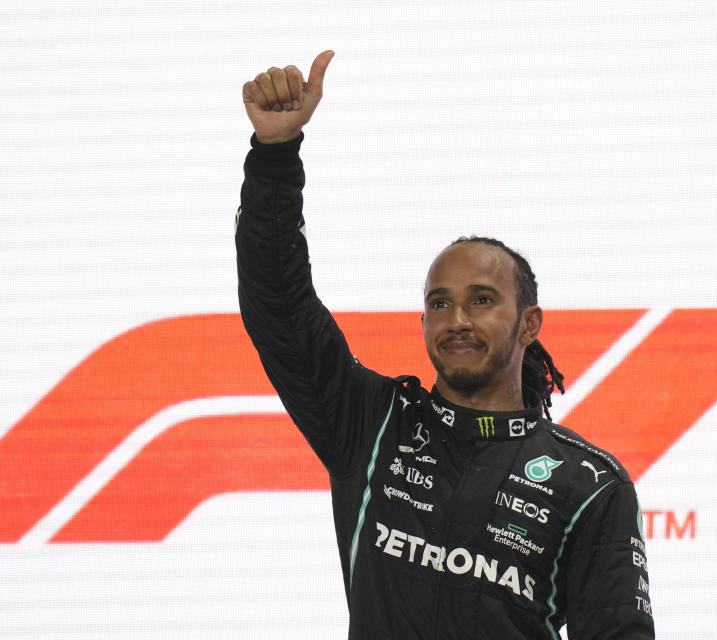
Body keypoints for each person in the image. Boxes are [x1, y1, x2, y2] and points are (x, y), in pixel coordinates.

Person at [236, 50, 655, 640]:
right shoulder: (372, 423)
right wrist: (275, 157)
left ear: (529, 323)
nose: (456, 319)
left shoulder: (589, 482)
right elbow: (279, 306)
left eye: (482, 300)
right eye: (439, 302)